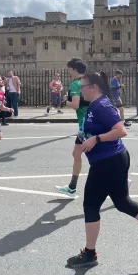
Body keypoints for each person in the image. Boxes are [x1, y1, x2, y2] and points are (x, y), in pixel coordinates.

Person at [66, 70, 138, 268]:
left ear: (93, 87)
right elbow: (96, 130)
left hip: (108, 162)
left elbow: (121, 130)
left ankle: (90, 254)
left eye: (82, 86)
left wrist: (95, 139)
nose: (80, 90)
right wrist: (83, 138)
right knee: (122, 202)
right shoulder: (95, 105)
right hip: (111, 160)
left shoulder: (102, 105)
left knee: (90, 205)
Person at [55, 59, 89, 197]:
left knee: (98, 158)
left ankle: (122, 183)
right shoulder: (90, 81)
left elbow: (75, 104)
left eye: (69, 69)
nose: (69, 72)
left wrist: (65, 101)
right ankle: (72, 187)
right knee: (76, 153)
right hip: (93, 121)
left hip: (86, 124)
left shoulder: (75, 84)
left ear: (74, 69)